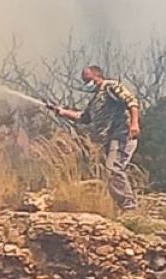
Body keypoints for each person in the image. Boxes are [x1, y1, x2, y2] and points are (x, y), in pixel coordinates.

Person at [51, 65, 141, 210]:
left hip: (122, 136)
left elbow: (132, 101)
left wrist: (134, 124)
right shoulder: (95, 101)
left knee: (113, 168)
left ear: (97, 75)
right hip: (109, 141)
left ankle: (129, 207)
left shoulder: (110, 87)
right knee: (112, 171)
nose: (86, 83)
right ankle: (123, 206)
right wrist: (62, 112)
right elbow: (84, 118)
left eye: (88, 79)